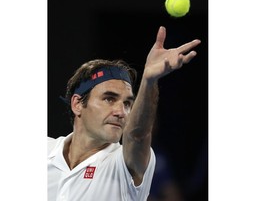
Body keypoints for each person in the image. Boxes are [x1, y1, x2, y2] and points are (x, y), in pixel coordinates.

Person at [47, 26, 201, 201]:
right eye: (109, 99)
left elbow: (137, 135)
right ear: (77, 104)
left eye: (127, 103)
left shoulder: (124, 164)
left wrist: (149, 81)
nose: (122, 112)